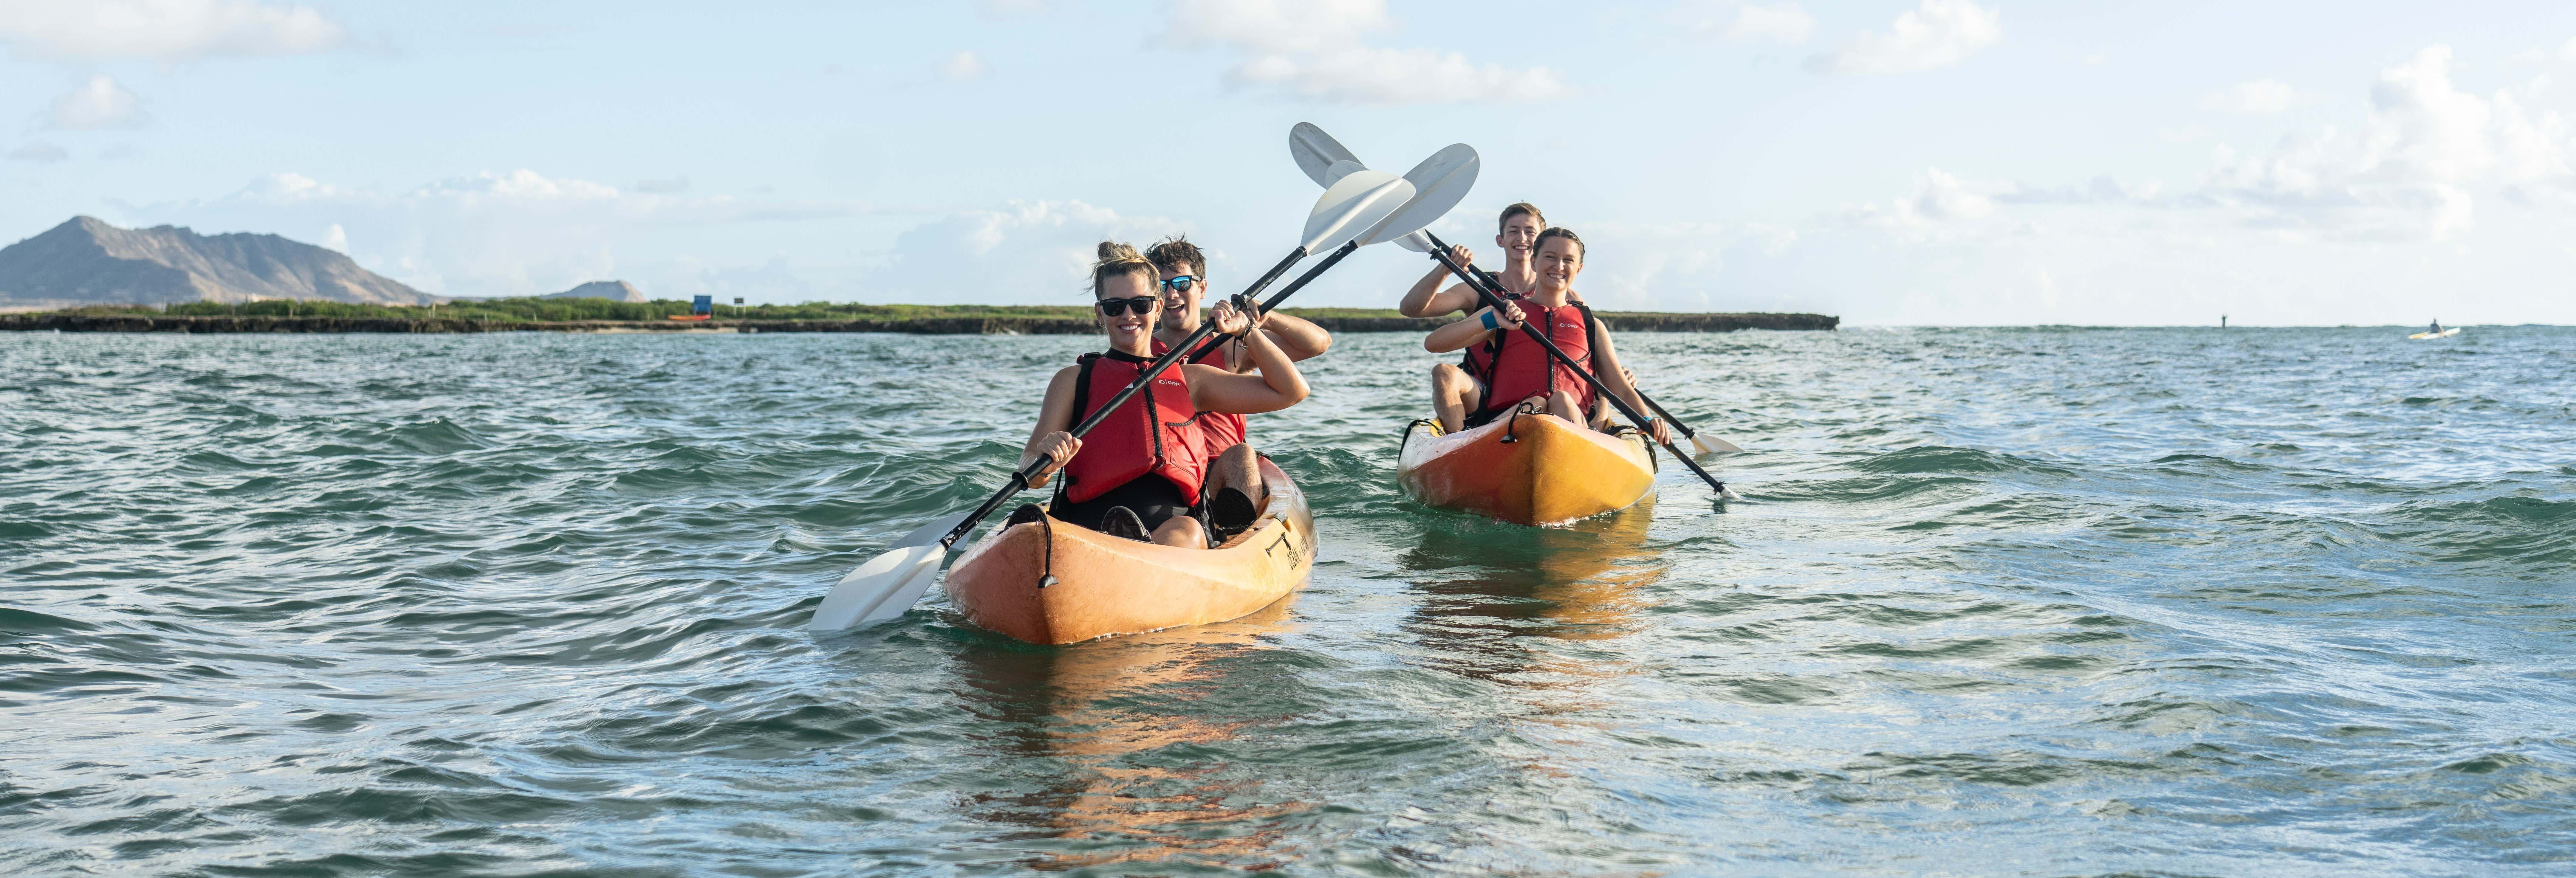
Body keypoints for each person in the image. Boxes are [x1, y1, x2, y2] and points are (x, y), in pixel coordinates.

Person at [1015, 241, 1309, 548]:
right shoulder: (1071, 380)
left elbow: (1292, 392)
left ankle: (1139, 550)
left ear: (1157, 308)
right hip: (1085, 525)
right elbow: (1028, 467)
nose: (1128, 315)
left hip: (1170, 528)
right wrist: (1043, 465)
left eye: (1140, 305)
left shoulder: (1190, 379)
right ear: (1100, 314)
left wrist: (1247, 331)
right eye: (1116, 307)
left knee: (1186, 532)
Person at [1141, 236, 1332, 533]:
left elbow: (1318, 344)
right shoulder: (1139, 349)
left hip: (1222, 473)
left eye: (1181, 284)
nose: (1172, 294)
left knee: (1242, 454)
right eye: (1162, 286)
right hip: (1165, 473)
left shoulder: (1231, 345)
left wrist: (1263, 320)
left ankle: (1236, 538)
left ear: (1202, 288)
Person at [1421, 227, 1668, 446]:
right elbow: (1433, 344)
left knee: (1560, 400)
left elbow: (1621, 390)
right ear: (1535, 262)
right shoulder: (1504, 312)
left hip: (1574, 425)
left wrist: (1647, 419)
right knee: (1537, 402)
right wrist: (1491, 320)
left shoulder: (1592, 325)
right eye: (1550, 257)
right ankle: (1460, 448)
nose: (1559, 266)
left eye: (1568, 260)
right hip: (1509, 422)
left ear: (1579, 269)